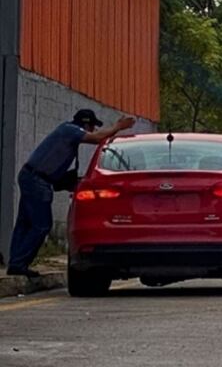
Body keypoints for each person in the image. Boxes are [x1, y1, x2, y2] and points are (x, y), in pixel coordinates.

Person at [6, 109, 135, 277]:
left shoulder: (67, 133)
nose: (93, 131)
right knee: (41, 225)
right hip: (38, 180)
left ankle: (16, 263)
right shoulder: (70, 130)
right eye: (92, 127)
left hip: (33, 177)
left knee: (26, 223)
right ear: (86, 124)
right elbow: (97, 139)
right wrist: (119, 126)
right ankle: (20, 263)